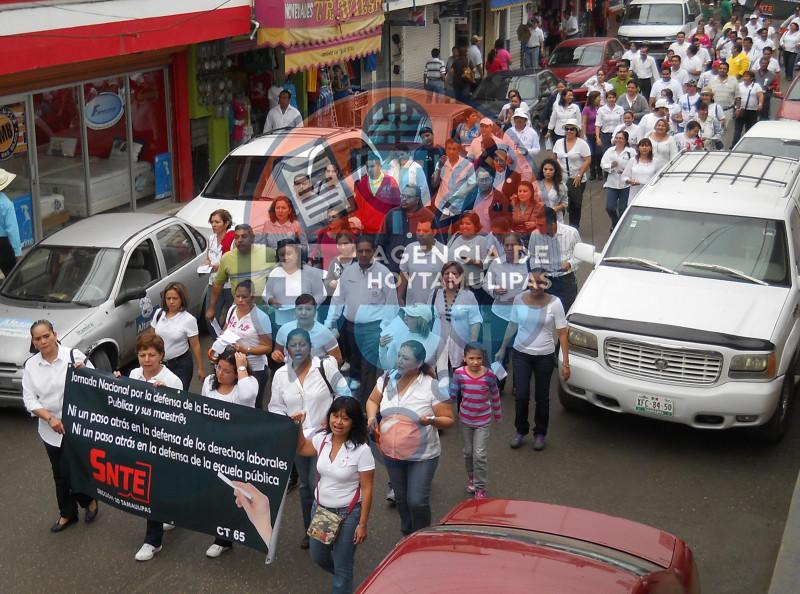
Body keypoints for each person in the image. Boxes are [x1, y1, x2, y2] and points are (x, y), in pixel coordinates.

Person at [270, 327, 351, 550]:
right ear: (286, 349)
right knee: (306, 486)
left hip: (325, 437)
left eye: (302, 344)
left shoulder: (326, 366)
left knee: (321, 484)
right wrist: (288, 421)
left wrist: (331, 415)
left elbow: (345, 395)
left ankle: (327, 532)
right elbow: (275, 407)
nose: (298, 349)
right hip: (296, 440)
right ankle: (311, 531)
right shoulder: (279, 376)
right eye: (293, 345)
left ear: (310, 346)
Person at [366, 340, 455, 535]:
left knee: (417, 501)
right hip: (391, 454)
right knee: (401, 499)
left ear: (418, 363)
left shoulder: (432, 386)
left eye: (406, 358)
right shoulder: (387, 379)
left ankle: (422, 537)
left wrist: (431, 420)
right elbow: (372, 400)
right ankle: (407, 533)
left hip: (422, 456)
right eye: (399, 355)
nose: (399, 361)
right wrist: (372, 416)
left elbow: (448, 419)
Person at [23, 320, 98, 533]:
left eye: (46, 335)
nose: (43, 341)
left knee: (79, 467)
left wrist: (85, 374)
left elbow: (96, 386)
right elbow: (29, 400)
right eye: (38, 338)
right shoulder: (31, 365)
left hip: (77, 426)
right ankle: (67, 513)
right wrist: (49, 418)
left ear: (55, 334)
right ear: (34, 342)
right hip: (50, 429)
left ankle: (89, 501)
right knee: (60, 473)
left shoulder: (74, 356)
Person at [296, 396, 373, 594]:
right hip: (322, 512)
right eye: (335, 416)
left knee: (342, 569)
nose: (338, 422)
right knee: (318, 556)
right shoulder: (323, 439)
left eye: (345, 418)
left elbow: (367, 488)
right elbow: (303, 448)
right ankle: (344, 575)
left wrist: (362, 524)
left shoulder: (362, 450)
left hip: (348, 515)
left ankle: (343, 576)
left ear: (354, 422)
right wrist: (297, 428)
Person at [120, 332, 183, 562]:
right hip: (138, 440)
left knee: (152, 489)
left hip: (161, 443)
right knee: (153, 487)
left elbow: (180, 415)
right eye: (142, 354)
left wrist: (165, 396)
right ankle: (169, 513)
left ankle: (152, 541)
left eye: (152, 355)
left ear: (161, 356)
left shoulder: (172, 380)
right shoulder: (134, 374)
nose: (147, 359)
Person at [496, 268, 570, 451]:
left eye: (540, 282)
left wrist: (565, 363)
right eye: (531, 282)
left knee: (542, 397)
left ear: (547, 284)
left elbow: (562, 333)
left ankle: (540, 433)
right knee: (521, 396)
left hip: (544, 356)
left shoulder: (555, 303)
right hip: (520, 353)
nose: (535, 286)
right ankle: (520, 431)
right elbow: (512, 324)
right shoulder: (519, 299)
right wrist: (502, 348)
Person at [324, 236, 398, 400]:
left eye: (368, 251)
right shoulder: (348, 273)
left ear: (374, 252)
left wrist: (384, 331)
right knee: (352, 369)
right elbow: (337, 300)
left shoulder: (384, 274)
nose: (364, 254)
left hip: (373, 330)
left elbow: (391, 305)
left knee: (368, 371)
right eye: (360, 251)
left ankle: (366, 409)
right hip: (350, 329)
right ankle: (350, 403)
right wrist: (328, 324)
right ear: (356, 252)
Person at [201, 347, 259, 558]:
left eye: (226, 371)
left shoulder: (248, 384)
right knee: (216, 492)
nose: (220, 373)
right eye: (219, 368)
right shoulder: (209, 382)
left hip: (238, 448)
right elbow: (203, 408)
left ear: (237, 373)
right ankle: (223, 534)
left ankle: (223, 539)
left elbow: (247, 395)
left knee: (231, 492)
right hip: (214, 445)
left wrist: (242, 366)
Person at [450, 343, 501, 499]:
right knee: (468, 453)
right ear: (464, 358)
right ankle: (471, 477)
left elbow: (494, 395)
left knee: (479, 454)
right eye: (471, 358)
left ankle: (480, 487)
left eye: (478, 358)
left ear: (483, 359)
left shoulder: (489, 375)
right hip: (465, 419)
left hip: (483, 421)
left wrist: (497, 414)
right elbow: (453, 393)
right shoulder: (459, 374)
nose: (475, 362)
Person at [218, 279, 273, 409]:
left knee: (253, 405)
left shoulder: (261, 318)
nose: (240, 300)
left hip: (254, 368)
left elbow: (268, 347)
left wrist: (246, 349)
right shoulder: (232, 310)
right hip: (233, 367)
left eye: (244, 297)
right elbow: (226, 329)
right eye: (237, 296)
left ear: (252, 297)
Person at [206, 223, 277, 320]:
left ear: (252, 237)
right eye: (236, 237)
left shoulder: (268, 254)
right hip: (241, 311)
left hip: (267, 310)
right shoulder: (227, 258)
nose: (239, 240)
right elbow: (218, 284)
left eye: (244, 236)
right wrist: (211, 308)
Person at [483, 232, 531, 364]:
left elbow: (536, 286)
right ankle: (498, 383)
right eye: (506, 245)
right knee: (497, 353)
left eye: (513, 245)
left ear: (520, 246)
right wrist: (494, 290)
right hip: (500, 313)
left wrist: (521, 296)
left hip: (521, 315)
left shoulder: (529, 264)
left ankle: (518, 383)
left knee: (519, 353)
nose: (509, 248)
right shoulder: (497, 263)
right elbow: (485, 283)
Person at [151, 282, 204, 391]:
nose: (171, 302)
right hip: (160, 365)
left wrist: (201, 368)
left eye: (175, 298)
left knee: (178, 397)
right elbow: (151, 338)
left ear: (182, 299)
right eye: (168, 298)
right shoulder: (159, 314)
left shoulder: (189, 320)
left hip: (181, 366)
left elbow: (195, 345)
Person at [528, 207, 581, 317]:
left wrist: (570, 263)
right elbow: (532, 256)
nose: (538, 228)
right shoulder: (535, 234)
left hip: (566, 281)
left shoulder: (571, 233)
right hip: (546, 280)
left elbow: (580, 255)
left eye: (541, 225)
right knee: (546, 316)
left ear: (553, 224)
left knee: (567, 314)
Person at [430, 261, 482, 373]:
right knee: (440, 380)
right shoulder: (435, 293)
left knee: (459, 380)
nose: (450, 276)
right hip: (438, 345)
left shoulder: (468, 296)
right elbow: (429, 317)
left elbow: (475, 321)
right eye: (446, 273)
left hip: (460, 347)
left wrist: (472, 346)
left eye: (454, 273)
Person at [263, 240, 326, 330]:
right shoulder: (275, 272)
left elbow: (321, 294)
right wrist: (270, 300)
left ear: (297, 254)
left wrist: (308, 305)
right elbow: (266, 293)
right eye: (282, 255)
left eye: (289, 254)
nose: (285, 257)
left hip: (307, 321)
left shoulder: (310, 272)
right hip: (282, 320)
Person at [380, 184, 434, 273]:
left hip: (419, 268)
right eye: (403, 195)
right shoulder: (393, 214)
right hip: (393, 267)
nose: (404, 199)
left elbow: (437, 243)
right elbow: (380, 241)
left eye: (408, 197)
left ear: (417, 200)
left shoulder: (428, 216)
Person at [273, 294, 342, 364]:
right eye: (300, 309)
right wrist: (276, 355)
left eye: (308, 309)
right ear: (295, 311)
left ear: (315, 311)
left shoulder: (325, 333)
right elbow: (277, 351)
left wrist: (317, 364)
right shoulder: (284, 330)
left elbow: (338, 359)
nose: (303, 313)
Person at [379, 305, 444, 373]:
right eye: (405, 314)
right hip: (401, 381)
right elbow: (387, 366)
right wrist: (382, 348)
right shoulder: (398, 335)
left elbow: (442, 371)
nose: (405, 318)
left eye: (409, 316)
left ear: (420, 320)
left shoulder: (437, 341)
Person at [552, 119, 591, 232]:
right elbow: (554, 158)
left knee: (574, 204)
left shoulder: (582, 144)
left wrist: (579, 174)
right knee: (560, 202)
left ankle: (574, 227)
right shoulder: (559, 143)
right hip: (561, 178)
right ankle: (560, 226)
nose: (569, 131)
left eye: (572, 129)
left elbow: (587, 160)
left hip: (575, 179)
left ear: (576, 130)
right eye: (567, 129)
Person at [398, 219, 448, 306]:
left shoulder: (445, 251)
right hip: (413, 306)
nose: (421, 234)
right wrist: (399, 297)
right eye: (418, 230)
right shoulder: (410, 248)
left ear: (434, 232)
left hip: (436, 306)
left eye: (425, 231)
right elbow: (403, 273)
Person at [203, 209, 235, 336]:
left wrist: (220, 266)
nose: (213, 225)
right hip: (213, 283)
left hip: (228, 285)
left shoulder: (232, 239)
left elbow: (234, 263)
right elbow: (208, 257)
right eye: (212, 222)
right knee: (210, 317)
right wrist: (206, 264)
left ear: (226, 223)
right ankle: (218, 344)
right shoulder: (211, 239)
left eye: (217, 222)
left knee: (232, 319)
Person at [447, 213, 493, 297]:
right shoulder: (455, 236)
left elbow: (489, 263)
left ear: (475, 226)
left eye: (468, 224)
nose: (464, 226)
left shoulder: (482, 241)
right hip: (454, 285)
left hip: (473, 287)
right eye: (462, 223)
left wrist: (473, 262)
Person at [352, 156, 401, 235]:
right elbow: (357, 207)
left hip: (385, 231)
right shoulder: (362, 183)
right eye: (368, 167)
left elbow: (397, 207)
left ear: (380, 166)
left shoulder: (391, 182)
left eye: (372, 166)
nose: (370, 169)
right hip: (366, 232)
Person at [601, 130, 635, 229]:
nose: (618, 140)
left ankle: (621, 228)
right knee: (609, 207)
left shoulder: (631, 152)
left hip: (626, 183)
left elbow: (635, 164)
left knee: (623, 208)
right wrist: (611, 165)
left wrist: (628, 171)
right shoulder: (609, 151)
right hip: (612, 182)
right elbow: (602, 164)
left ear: (625, 140)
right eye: (617, 138)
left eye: (621, 138)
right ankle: (615, 221)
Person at [0, 169, 22, 276]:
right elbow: (12, 230)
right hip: (3, 243)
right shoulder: (7, 204)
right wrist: (17, 252)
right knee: (13, 277)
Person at [732, 69, 764, 144]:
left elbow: (760, 95)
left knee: (749, 129)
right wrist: (736, 108)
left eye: (747, 76)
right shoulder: (739, 85)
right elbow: (735, 96)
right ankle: (734, 144)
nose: (744, 77)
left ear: (751, 78)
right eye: (744, 76)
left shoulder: (756, 86)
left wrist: (760, 104)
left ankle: (748, 144)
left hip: (752, 111)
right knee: (737, 129)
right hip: (741, 110)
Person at [412, 127, 445, 192]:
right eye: (423, 137)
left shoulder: (440, 151)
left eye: (427, 135)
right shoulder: (419, 152)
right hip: (424, 188)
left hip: (439, 187)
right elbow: (418, 171)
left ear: (432, 135)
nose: (426, 139)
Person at [537, 158, 569, 224]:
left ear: (555, 171)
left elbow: (565, 203)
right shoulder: (536, 184)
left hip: (556, 219)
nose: (547, 172)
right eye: (545, 169)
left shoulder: (561, 186)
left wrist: (555, 209)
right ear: (542, 170)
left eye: (551, 170)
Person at [581, 91, 603, 181]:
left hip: (600, 134)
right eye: (598, 97)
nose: (600, 99)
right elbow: (584, 123)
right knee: (591, 154)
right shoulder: (587, 109)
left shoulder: (601, 108)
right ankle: (592, 172)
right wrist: (584, 135)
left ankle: (599, 172)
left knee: (599, 154)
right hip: (590, 134)